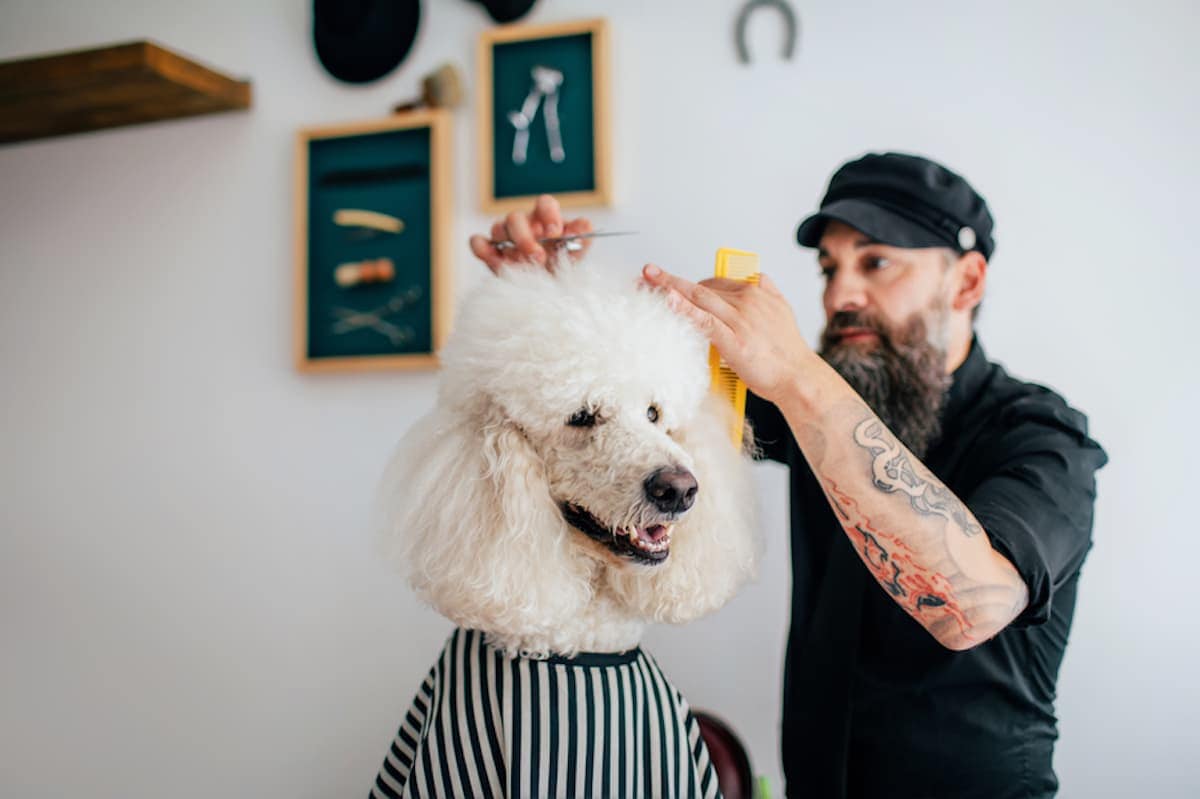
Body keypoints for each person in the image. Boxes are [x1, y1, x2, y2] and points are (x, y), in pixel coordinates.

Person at [469, 152, 1107, 798]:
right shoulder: (820, 399)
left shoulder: (1045, 441)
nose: (838, 294)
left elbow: (970, 604)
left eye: (875, 261)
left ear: (967, 282)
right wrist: (551, 296)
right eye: (829, 267)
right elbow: (639, 403)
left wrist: (799, 373)